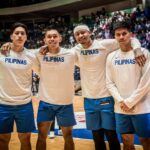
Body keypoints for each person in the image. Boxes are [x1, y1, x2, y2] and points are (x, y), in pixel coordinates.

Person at [73, 24, 146, 150]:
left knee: (111, 134)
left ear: (90, 32)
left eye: (83, 32)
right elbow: (58, 53)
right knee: (96, 136)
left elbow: (130, 39)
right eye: (77, 34)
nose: (81, 36)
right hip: (88, 99)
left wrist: (137, 49)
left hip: (106, 97)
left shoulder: (104, 44)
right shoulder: (75, 51)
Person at [106, 21, 150, 150]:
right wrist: (121, 101)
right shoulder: (111, 57)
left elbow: (146, 81)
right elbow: (109, 83)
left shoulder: (143, 53)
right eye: (118, 34)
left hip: (142, 107)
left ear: (131, 34)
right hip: (121, 108)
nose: (121, 37)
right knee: (126, 141)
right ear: (114, 37)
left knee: (146, 141)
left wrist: (130, 102)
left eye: (124, 33)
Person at [33, 28, 77, 150]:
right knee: (41, 136)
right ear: (44, 40)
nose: (52, 39)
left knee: (68, 136)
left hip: (65, 103)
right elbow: (21, 51)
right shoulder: (39, 54)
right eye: (49, 37)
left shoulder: (71, 53)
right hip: (46, 102)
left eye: (55, 36)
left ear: (60, 38)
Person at [0, 22, 36, 150]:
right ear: (11, 36)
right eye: (17, 33)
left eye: (22, 34)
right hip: (3, 104)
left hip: (24, 104)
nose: (20, 36)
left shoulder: (32, 55)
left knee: (25, 138)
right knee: (3, 139)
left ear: (26, 37)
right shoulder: (1, 53)